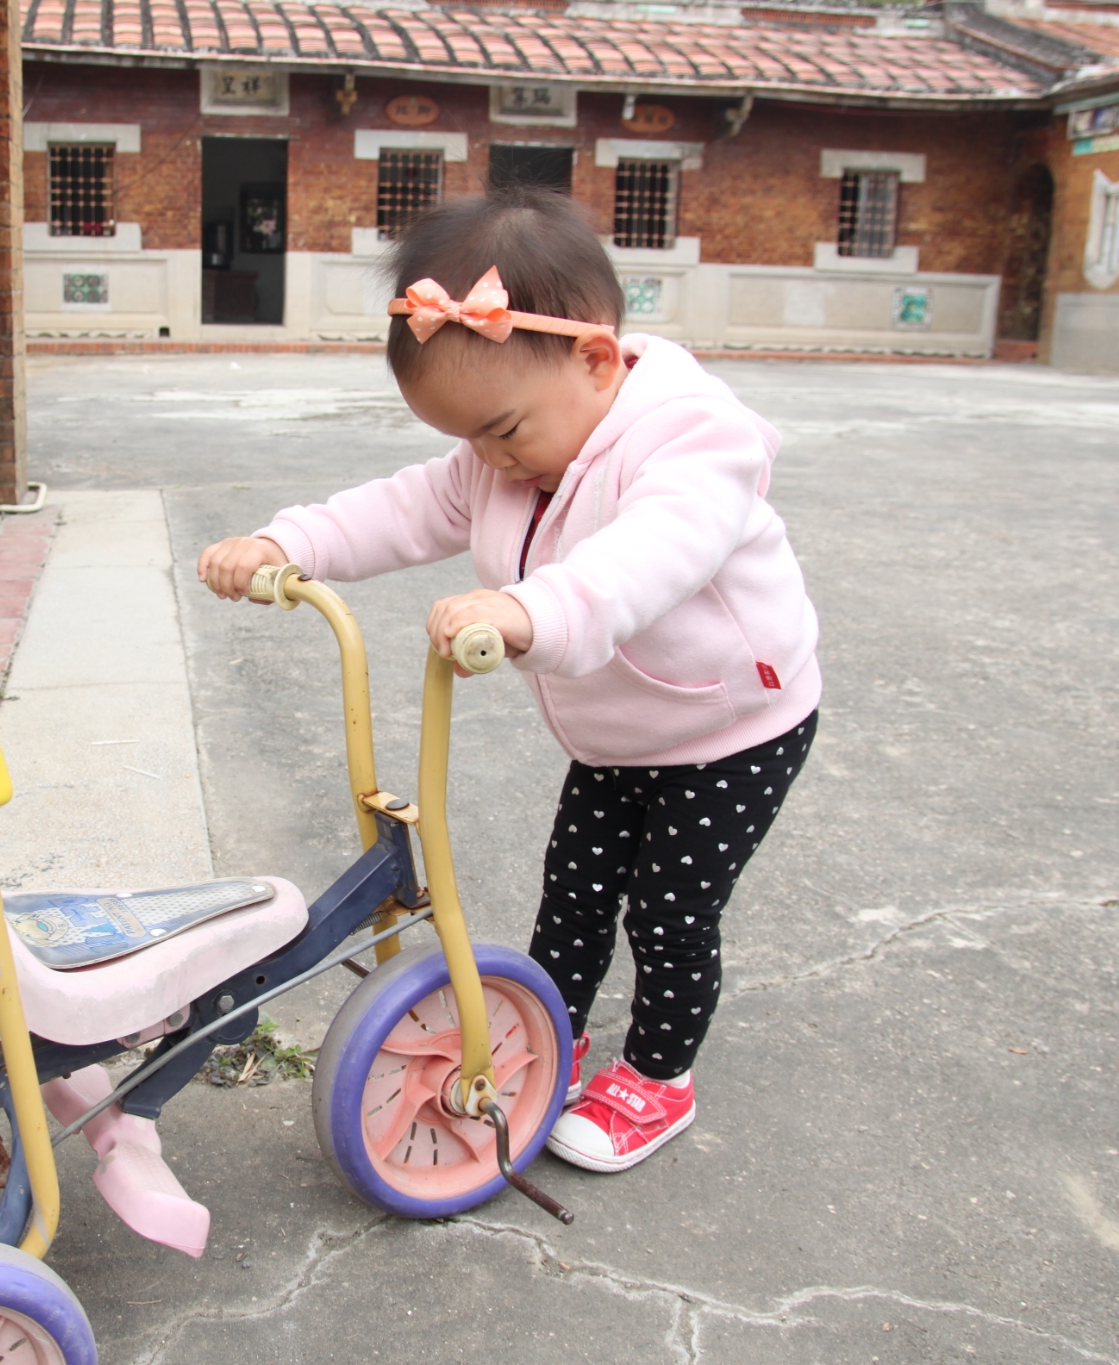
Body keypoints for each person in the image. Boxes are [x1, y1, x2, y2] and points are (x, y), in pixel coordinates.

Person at [197, 189, 818, 1173]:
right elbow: (402, 508)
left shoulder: (696, 441)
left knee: (667, 910)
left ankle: (657, 1077)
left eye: (501, 431)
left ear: (597, 360)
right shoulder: (499, 457)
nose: (486, 460)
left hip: (731, 728)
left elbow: (651, 556)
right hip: (616, 730)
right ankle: (548, 1038)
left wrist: (531, 609)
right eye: (468, 440)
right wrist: (288, 542)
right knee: (572, 894)